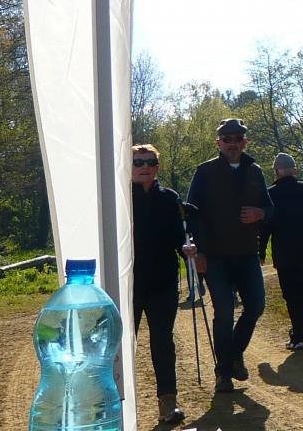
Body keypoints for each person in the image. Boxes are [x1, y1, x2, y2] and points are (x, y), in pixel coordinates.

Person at [185, 118, 273, 393]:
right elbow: (191, 214)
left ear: (245, 141)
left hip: (247, 255)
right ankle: (223, 372)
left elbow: (270, 209)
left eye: (238, 139)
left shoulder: (255, 171)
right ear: (219, 142)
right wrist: (197, 252)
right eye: (227, 139)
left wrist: (261, 213)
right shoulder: (205, 172)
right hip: (215, 257)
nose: (233, 144)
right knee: (223, 312)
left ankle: (233, 354)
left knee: (256, 306)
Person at [131, 144, 188, 425]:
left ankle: (168, 403)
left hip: (163, 282)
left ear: (157, 166)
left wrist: (189, 250)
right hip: (128, 285)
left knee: (163, 343)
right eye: (137, 161)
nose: (144, 166)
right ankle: (115, 405)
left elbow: (180, 237)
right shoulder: (118, 199)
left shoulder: (170, 198)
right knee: (121, 344)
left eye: (149, 161)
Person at [259, 151, 303, 350]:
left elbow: (265, 226)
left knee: (290, 291)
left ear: (276, 172)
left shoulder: (271, 194)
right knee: (302, 286)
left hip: (284, 251)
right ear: (294, 170)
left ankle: (298, 334)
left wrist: (261, 250)